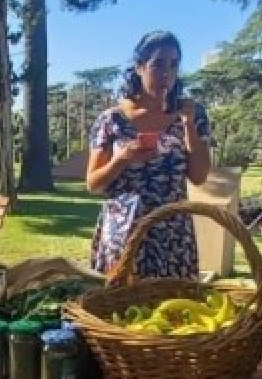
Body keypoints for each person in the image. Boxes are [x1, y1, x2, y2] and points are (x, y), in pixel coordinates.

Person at [84, 31, 212, 278]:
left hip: (173, 233)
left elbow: (199, 176)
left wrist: (188, 124)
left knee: (173, 310)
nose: (167, 73)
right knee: (119, 309)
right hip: (124, 231)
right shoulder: (111, 120)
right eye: (158, 64)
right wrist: (121, 160)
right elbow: (93, 184)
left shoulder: (193, 115)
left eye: (174, 65)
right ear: (139, 67)